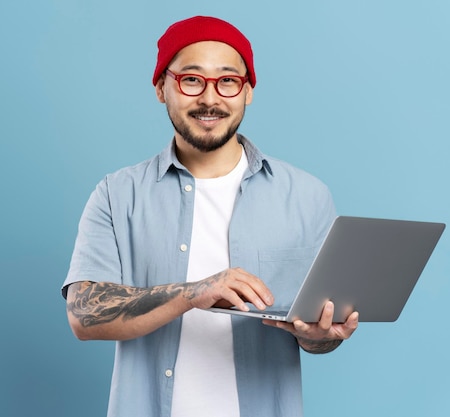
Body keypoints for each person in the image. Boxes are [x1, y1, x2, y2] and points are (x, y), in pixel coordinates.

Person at [62, 15, 359, 417]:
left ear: (248, 91)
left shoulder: (308, 197)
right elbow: (84, 315)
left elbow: (321, 337)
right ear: (161, 87)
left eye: (228, 81)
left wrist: (321, 335)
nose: (210, 98)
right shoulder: (117, 195)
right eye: (191, 79)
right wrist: (193, 293)